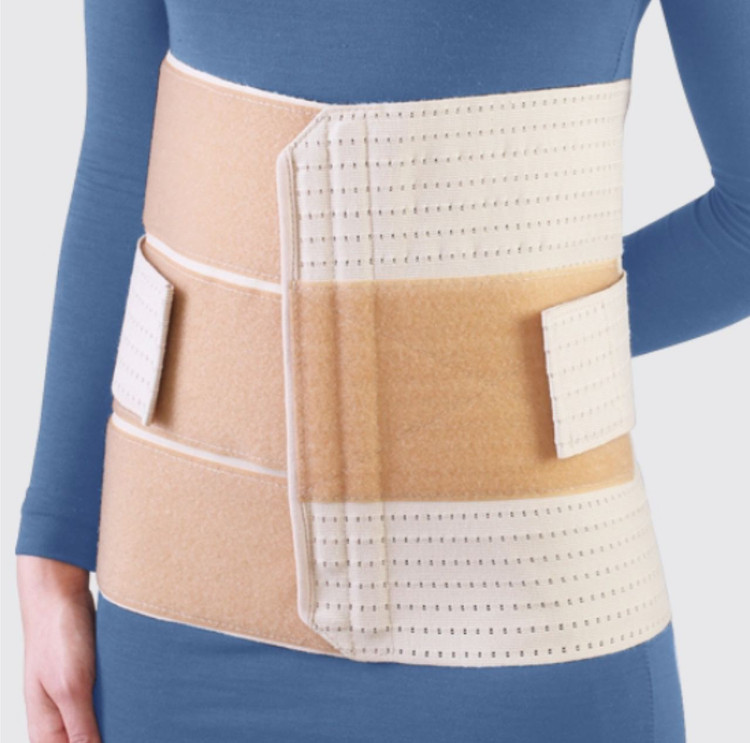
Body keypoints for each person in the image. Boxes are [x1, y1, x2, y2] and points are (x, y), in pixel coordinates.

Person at [15, 1, 750, 742]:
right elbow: (120, 166)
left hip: (532, 625)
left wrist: (492, 352)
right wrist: (53, 550)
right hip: (181, 619)